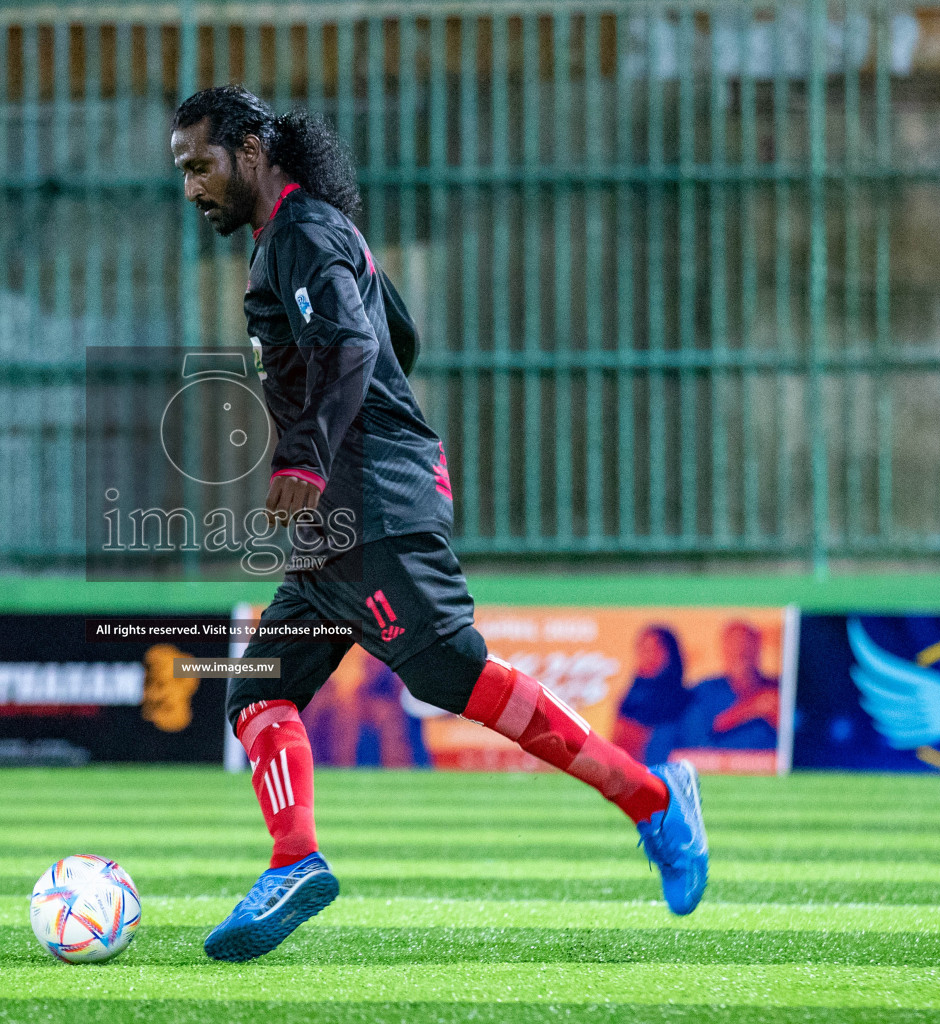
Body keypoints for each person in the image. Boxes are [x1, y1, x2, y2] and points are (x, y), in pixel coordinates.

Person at [170, 86, 707, 962]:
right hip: (338, 525)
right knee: (259, 690)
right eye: (184, 170)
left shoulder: (303, 234)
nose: (192, 185)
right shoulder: (301, 239)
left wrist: (307, 456)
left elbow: (353, 348)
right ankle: (295, 860)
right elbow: (398, 340)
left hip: (373, 503)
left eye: (201, 164)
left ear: (254, 150)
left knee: (451, 675)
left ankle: (654, 801)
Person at [680, 620, 781, 750]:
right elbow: (695, 737)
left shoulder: (778, 686)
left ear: (758, 647)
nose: (740, 652)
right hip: (718, 766)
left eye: (746, 644)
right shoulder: (705, 690)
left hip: (769, 766)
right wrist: (753, 707)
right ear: (723, 650)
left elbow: (796, 732)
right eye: (733, 645)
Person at [613, 625, 691, 764]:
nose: (650, 656)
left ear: (671, 654)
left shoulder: (689, 701)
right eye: (644, 649)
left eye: (657, 649)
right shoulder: (630, 700)